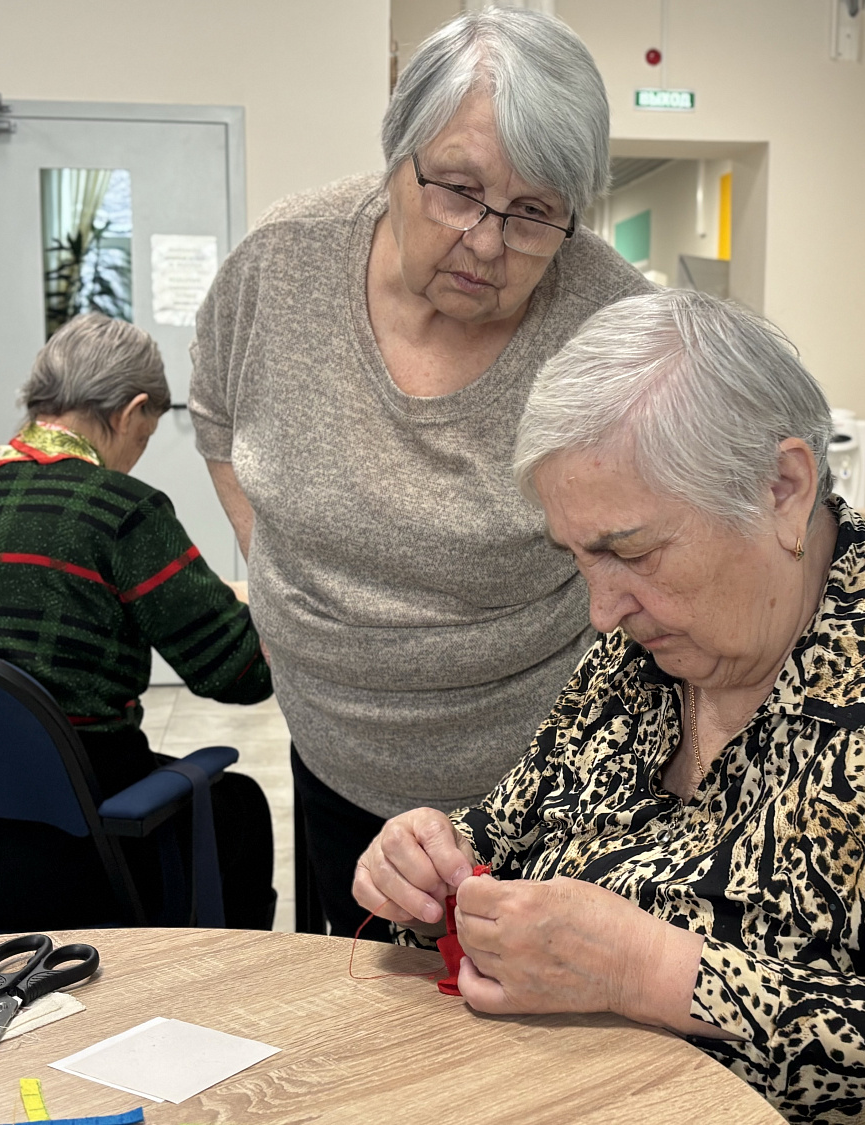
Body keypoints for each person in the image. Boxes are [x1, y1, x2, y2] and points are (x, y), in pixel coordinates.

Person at [353, 291, 865, 1123]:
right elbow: (505, 836)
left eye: (633, 551)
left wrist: (652, 971)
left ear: (782, 488)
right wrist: (430, 864)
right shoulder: (643, 653)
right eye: (580, 558)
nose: (602, 611)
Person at [189, 8, 653, 936]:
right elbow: (217, 420)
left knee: (517, 1004)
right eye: (458, 189)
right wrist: (278, 589)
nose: (485, 242)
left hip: (542, 782)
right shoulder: (280, 265)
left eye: (534, 213)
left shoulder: (610, 320)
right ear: (396, 156)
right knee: (366, 985)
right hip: (335, 749)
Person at [0, 313, 278, 930]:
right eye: (146, 435)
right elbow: (239, 673)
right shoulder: (120, 509)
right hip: (64, 859)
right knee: (238, 807)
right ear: (132, 411)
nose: (137, 457)